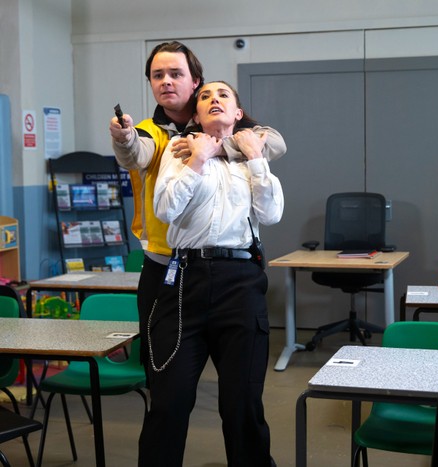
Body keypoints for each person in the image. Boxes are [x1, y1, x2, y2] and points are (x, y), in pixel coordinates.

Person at [108, 41, 286, 380]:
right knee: (161, 378)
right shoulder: (152, 130)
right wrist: (124, 137)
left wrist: (212, 146)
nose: (166, 82)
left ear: (195, 82)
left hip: (232, 272)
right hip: (165, 268)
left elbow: (273, 141)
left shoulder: (220, 114)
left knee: (240, 385)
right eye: (158, 75)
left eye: (176, 74)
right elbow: (135, 153)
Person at [141, 80, 283, 467]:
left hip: (241, 281)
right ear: (196, 114)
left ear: (238, 114)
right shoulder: (178, 150)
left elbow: (271, 214)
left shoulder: (252, 154)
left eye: (223, 95)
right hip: (186, 279)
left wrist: (256, 158)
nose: (213, 99)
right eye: (205, 96)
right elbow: (166, 210)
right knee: (169, 402)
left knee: (243, 404)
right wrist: (197, 160)